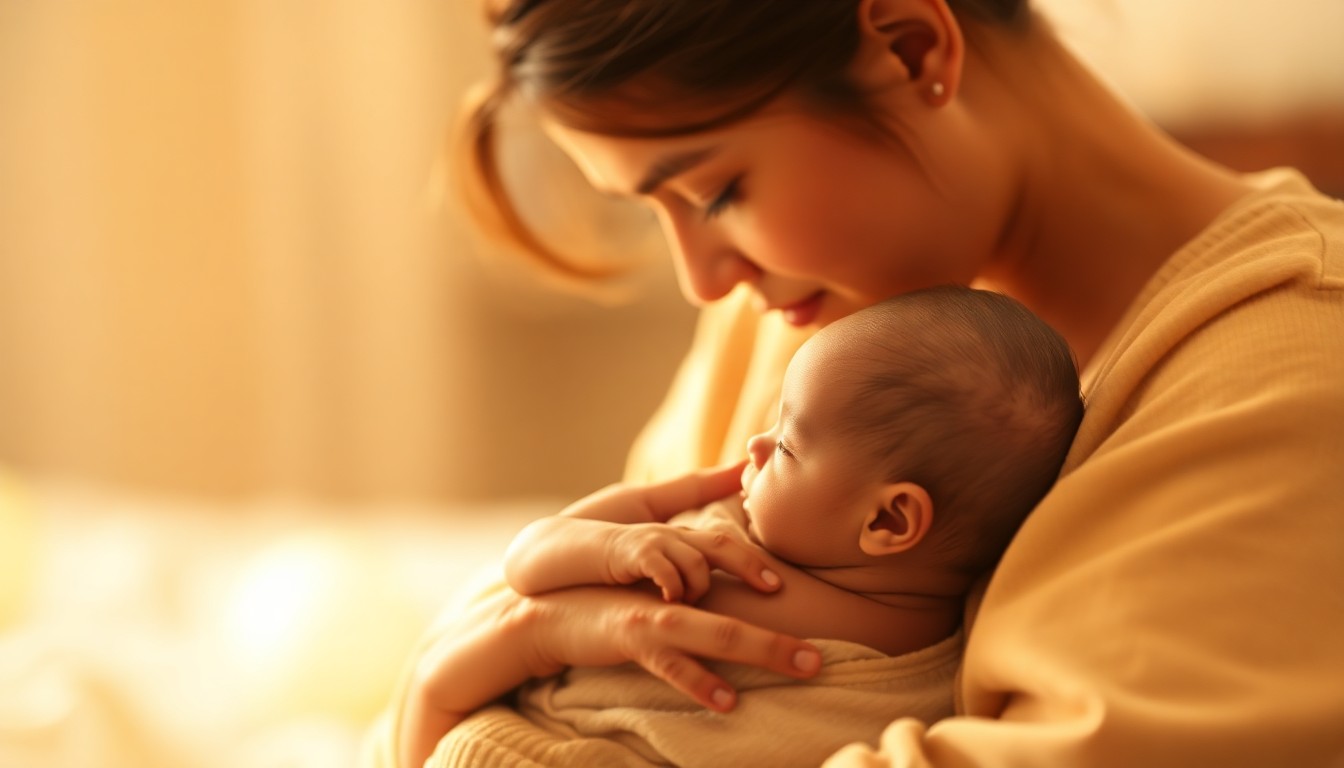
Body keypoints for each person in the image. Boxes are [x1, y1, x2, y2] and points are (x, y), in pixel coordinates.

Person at [367, 0, 1344, 766]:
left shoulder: (1294, 372)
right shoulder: (804, 325)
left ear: (915, 47)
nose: (704, 279)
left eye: (718, 193)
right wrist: (431, 706)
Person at [399, 286, 1082, 766]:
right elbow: (529, 561)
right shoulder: (719, 528)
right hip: (516, 744)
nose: (751, 448)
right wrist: (618, 543)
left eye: (786, 445)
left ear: (888, 519)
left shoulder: (938, 672)